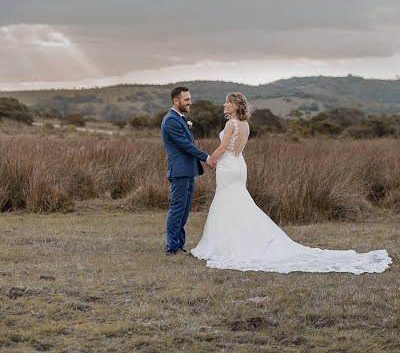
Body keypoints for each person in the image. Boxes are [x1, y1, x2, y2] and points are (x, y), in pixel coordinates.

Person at [191, 92, 392, 274]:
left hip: (228, 165)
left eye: (227, 102)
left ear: (235, 105)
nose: (224, 104)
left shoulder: (230, 124)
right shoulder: (245, 125)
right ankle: (237, 240)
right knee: (239, 202)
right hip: (239, 165)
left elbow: (223, 147)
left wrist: (209, 160)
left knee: (227, 201)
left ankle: (227, 245)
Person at [161, 86, 214, 255]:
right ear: (176, 101)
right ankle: (172, 247)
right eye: (186, 99)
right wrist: (207, 158)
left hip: (188, 171)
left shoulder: (180, 118)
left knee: (184, 210)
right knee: (177, 209)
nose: (190, 102)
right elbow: (186, 145)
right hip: (179, 171)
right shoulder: (171, 120)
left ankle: (179, 244)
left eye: (190, 99)